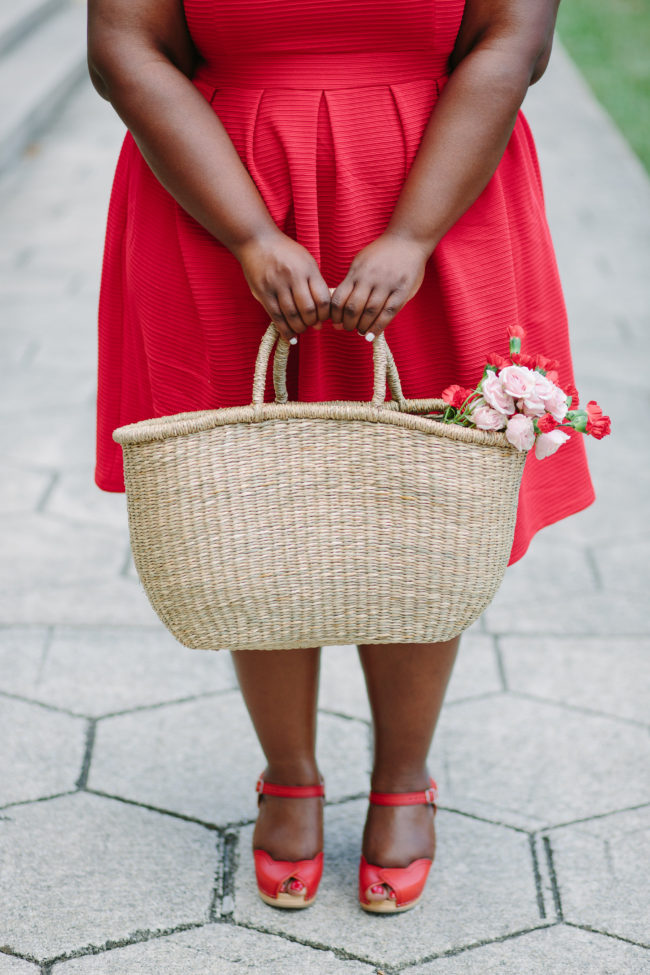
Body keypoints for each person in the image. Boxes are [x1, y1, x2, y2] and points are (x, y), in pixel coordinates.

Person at [87, 0, 595, 912]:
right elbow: (126, 46)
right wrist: (248, 231)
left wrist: (412, 235)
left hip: (436, 182)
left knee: (425, 490)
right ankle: (289, 771)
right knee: (246, 495)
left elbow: (511, 42)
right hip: (221, 188)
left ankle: (405, 775)